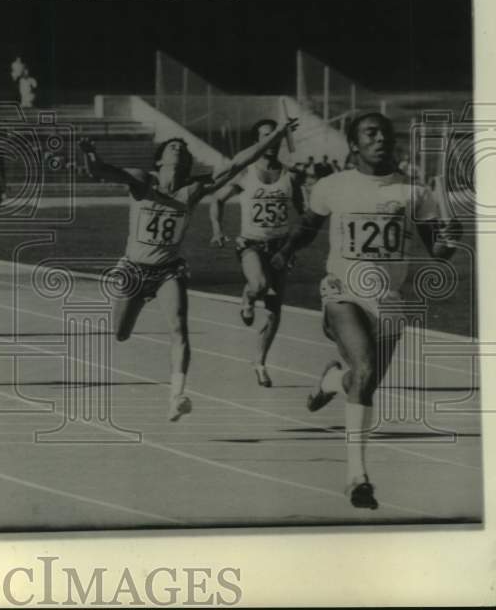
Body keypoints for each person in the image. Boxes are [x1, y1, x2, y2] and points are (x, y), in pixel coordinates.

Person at [271, 112, 460, 509]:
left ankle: (330, 382)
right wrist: (285, 253)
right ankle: (357, 477)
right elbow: (308, 225)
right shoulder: (333, 186)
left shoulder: (414, 192)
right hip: (342, 292)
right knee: (367, 369)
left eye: (386, 134)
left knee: (362, 381)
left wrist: (451, 238)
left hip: (389, 300)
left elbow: (437, 251)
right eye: (371, 133)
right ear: (354, 145)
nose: (381, 139)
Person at [79, 119, 296, 421]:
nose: (178, 150)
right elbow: (100, 171)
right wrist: (90, 156)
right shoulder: (143, 181)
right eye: (172, 147)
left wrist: (274, 137)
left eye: (183, 149)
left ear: (189, 162)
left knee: (179, 328)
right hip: (134, 269)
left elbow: (237, 164)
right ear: (160, 159)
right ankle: (136, 307)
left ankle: (177, 396)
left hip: (169, 270)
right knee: (120, 334)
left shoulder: (194, 189)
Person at [209, 119, 306, 386]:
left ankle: (260, 362)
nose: (272, 143)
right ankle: (248, 297)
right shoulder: (245, 173)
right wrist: (217, 229)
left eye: (276, 138)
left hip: (279, 247)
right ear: (257, 141)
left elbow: (305, 214)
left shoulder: (290, 175)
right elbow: (217, 199)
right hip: (251, 244)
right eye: (266, 137)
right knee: (260, 284)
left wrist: (293, 246)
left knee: (275, 310)